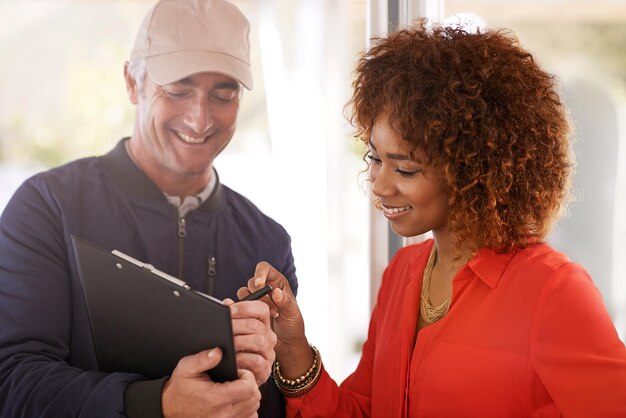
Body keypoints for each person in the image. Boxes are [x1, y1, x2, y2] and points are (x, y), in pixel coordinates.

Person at [240, 19, 626, 418]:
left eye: (405, 169)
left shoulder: (553, 291)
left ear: (470, 170)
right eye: (375, 158)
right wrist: (292, 345)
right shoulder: (402, 273)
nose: (380, 185)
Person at [0, 0, 297, 417]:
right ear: (132, 82)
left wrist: (260, 378)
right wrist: (157, 404)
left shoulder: (267, 241)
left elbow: (279, 403)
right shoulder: (46, 209)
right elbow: (12, 383)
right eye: (178, 89)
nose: (200, 119)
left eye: (223, 94)